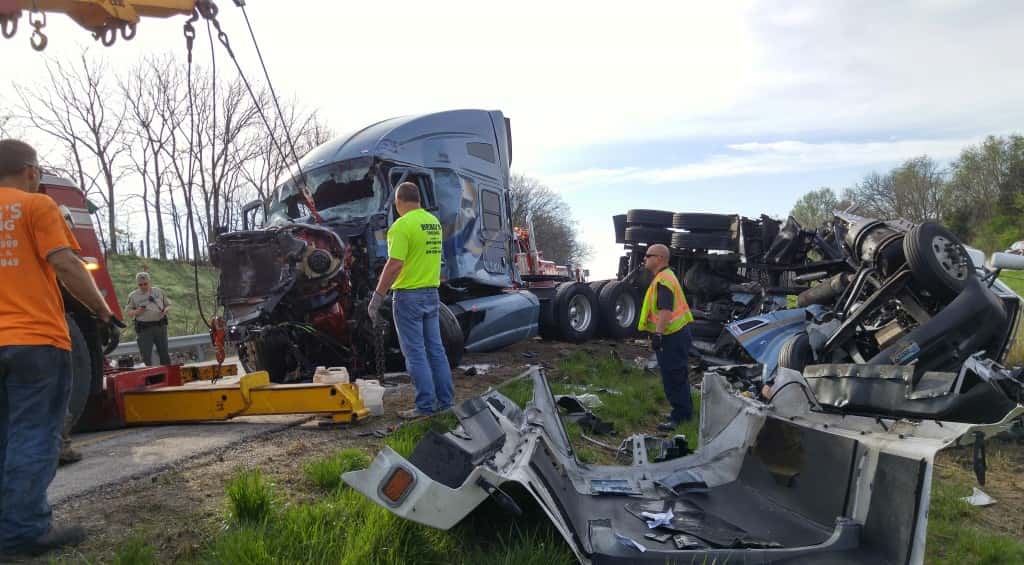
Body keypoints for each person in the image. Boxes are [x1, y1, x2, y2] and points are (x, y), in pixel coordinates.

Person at [0, 139, 114, 557]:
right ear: (30, 171)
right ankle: (23, 532)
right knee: (34, 435)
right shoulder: (37, 206)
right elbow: (66, 264)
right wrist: (102, 312)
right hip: (35, 342)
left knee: (5, 437)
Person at [368, 181, 454, 419]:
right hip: (431, 293)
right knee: (436, 350)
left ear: (398, 202)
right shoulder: (432, 223)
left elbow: (395, 263)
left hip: (408, 296)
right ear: (418, 200)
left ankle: (425, 406)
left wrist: (377, 296)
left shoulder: (400, 226)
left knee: (415, 353)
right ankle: (446, 402)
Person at [638, 244, 695, 431]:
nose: (644, 258)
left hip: (673, 335)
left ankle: (681, 417)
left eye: (648, 255)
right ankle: (681, 412)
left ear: (660, 258)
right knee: (676, 375)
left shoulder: (664, 280)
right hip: (676, 333)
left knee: (674, 376)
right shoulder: (665, 277)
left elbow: (665, 310)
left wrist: (658, 334)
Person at [125, 272, 171, 366]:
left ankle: (168, 376)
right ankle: (149, 379)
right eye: (140, 284)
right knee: (146, 356)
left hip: (160, 327)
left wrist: (165, 310)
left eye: (145, 284)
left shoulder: (158, 291)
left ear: (150, 282)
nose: (143, 286)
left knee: (164, 354)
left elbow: (168, 304)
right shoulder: (133, 296)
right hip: (144, 329)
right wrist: (137, 311)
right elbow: (128, 313)